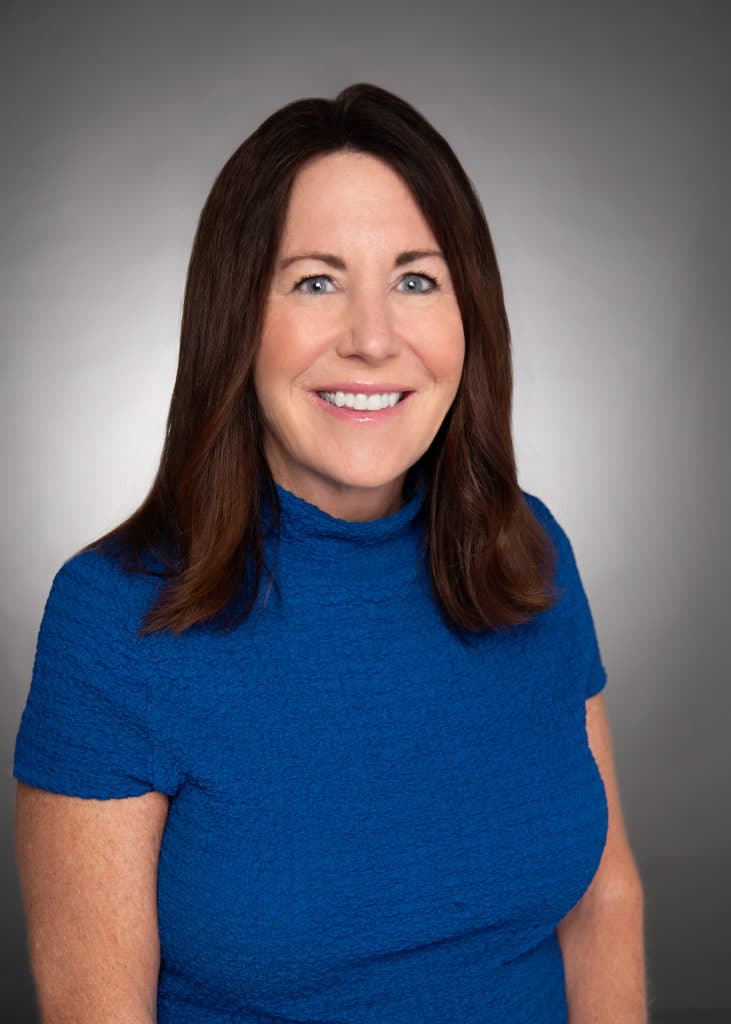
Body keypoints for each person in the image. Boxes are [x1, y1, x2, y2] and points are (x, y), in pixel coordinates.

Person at [12, 82, 647, 1023]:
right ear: (236, 322)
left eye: (415, 279)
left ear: (467, 317)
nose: (373, 339)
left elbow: (604, 904)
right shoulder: (114, 616)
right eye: (315, 280)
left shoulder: (529, 551)